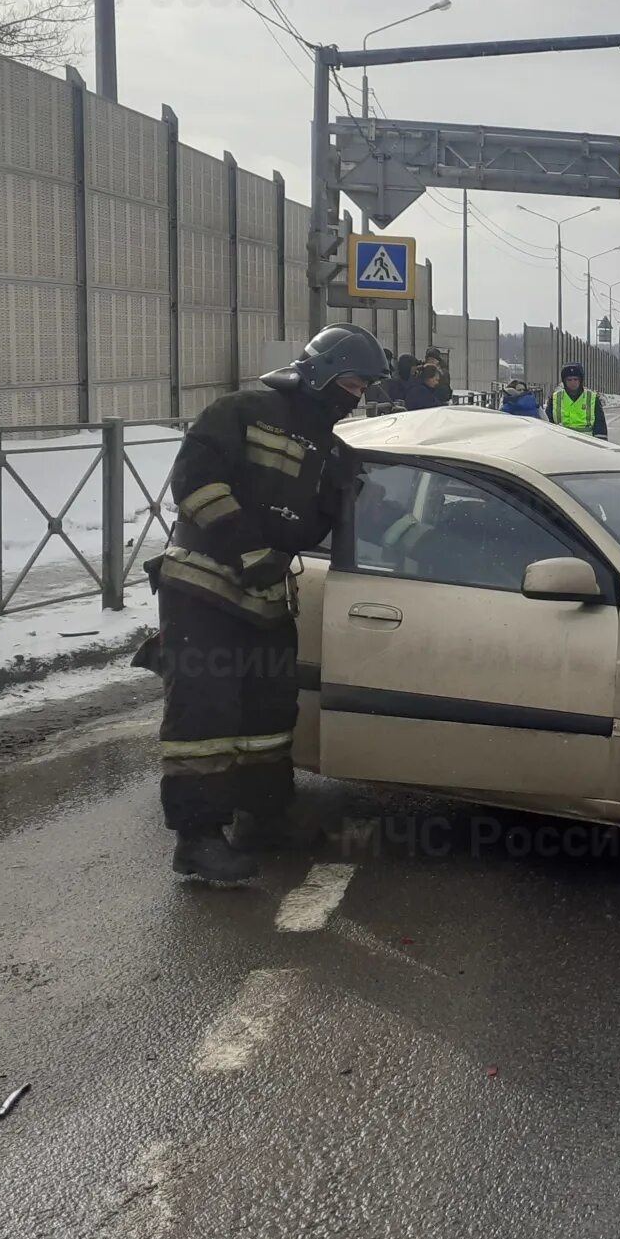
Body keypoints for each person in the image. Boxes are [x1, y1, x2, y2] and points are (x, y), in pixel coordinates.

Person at [145, 323, 386, 884]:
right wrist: (246, 546)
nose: (357, 397)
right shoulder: (241, 410)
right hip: (203, 587)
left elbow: (328, 519)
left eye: (364, 387)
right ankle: (198, 839)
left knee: (269, 713)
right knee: (204, 714)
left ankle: (265, 816)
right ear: (322, 372)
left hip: (266, 594)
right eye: (352, 382)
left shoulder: (332, 447)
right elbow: (195, 483)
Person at [546, 363, 608, 437]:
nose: (573, 383)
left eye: (576, 379)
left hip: (586, 442)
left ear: (580, 380)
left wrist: (600, 443)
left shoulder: (592, 398)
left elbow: (600, 424)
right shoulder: (555, 398)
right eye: (569, 380)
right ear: (564, 381)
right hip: (562, 441)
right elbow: (547, 422)